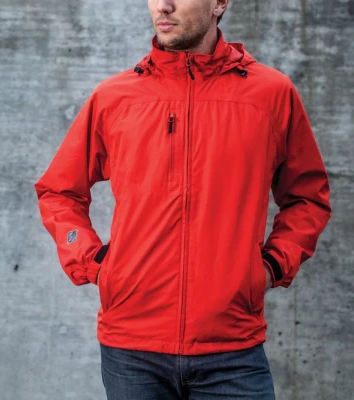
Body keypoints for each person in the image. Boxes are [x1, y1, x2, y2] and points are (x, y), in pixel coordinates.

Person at [34, 0, 332, 398]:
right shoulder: (114, 97)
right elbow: (59, 191)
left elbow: (308, 196)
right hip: (132, 349)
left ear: (220, 3)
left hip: (232, 349)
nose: (164, 6)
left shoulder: (270, 94)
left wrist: (272, 265)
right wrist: (93, 261)